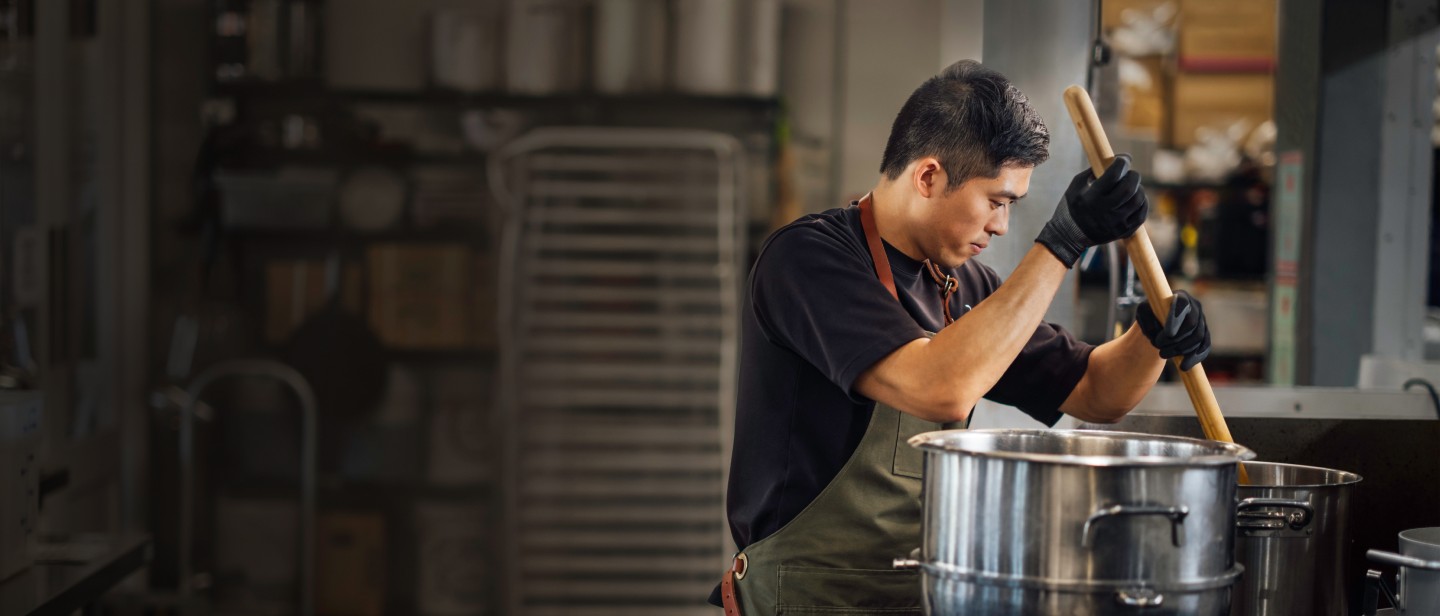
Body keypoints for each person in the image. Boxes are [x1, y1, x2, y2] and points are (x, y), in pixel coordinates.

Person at [710, 60, 1212, 614]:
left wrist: (1154, 334)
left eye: (1011, 206)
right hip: (804, 598)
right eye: (996, 201)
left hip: (917, 594)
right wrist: (1064, 242)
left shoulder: (965, 283)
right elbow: (937, 384)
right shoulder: (810, 258)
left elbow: (1097, 391)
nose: (1000, 225)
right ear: (928, 177)